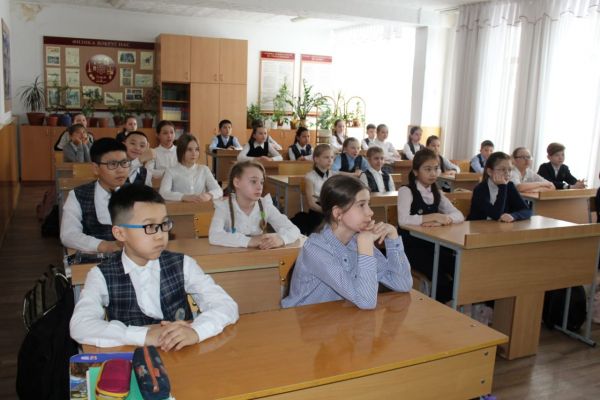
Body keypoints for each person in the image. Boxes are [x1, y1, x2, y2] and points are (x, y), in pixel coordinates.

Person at [69, 184, 239, 349]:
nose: (160, 235)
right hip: (135, 357)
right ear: (120, 233)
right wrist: (144, 335)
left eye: (164, 224)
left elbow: (227, 305)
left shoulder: (183, 264)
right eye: (150, 226)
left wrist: (196, 331)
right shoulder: (101, 274)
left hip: (182, 354)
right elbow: (80, 325)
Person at [281, 175, 412, 309]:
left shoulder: (356, 240)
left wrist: (393, 238)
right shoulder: (315, 249)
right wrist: (365, 245)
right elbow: (366, 301)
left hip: (337, 315)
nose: (370, 212)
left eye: (369, 204)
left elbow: (402, 284)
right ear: (338, 213)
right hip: (303, 318)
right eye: (361, 205)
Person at [397, 148, 464, 303]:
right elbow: (403, 220)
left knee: (460, 269)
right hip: (411, 247)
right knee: (440, 279)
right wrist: (433, 216)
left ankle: (451, 305)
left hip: (433, 245)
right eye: (427, 169)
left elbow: (459, 215)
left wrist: (444, 219)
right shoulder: (406, 191)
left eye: (436, 168)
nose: (433, 173)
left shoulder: (436, 192)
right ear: (415, 172)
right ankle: (440, 308)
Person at [209, 160, 301, 248]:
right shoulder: (224, 207)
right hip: (232, 257)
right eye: (253, 181)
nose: (259, 187)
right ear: (237, 182)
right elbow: (214, 235)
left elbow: (294, 230)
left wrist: (281, 239)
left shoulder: (265, 205)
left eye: (261, 182)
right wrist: (249, 241)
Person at [60, 138, 129, 253]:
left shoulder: (138, 194)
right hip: (95, 259)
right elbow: (68, 234)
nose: (121, 170)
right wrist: (104, 246)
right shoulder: (78, 195)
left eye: (124, 163)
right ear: (96, 168)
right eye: (112, 164)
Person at [467, 152, 532, 222]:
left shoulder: (509, 186)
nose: (507, 173)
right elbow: (496, 214)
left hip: (499, 227)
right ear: (489, 172)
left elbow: (527, 210)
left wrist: (514, 216)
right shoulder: (480, 189)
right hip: (478, 226)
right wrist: (502, 187)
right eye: (503, 169)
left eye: (509, 169)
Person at [159, 134, 223, 202]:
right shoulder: (170, 171)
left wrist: (209, 195)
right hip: (179, 207)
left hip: (201, 207)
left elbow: (218, 190)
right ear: (181, 151)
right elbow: (163, 193)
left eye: (196, 149)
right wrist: (184, 197)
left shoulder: (204, 169)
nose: (194, 153)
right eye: (189, 149)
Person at [303, 144, 336, 234]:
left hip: (331, 208)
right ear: (316, 159)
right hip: (318, 211)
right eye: (326, 157)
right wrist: (328, 212)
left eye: (332, 157)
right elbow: (311, 204)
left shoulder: (333, 175)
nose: (330, 160)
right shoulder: (310, 176)